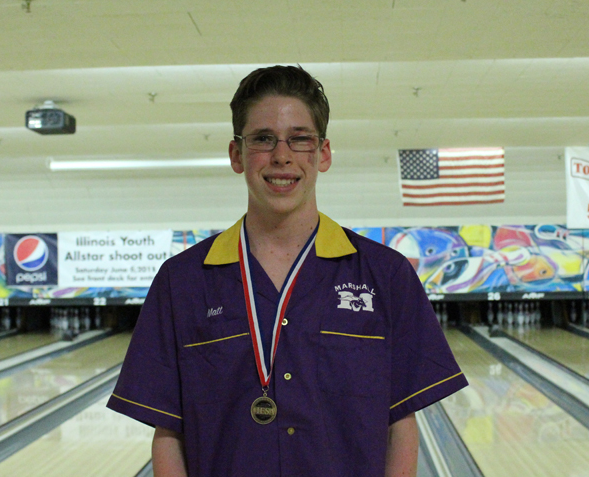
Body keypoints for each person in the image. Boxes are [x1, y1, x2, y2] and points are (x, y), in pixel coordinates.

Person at [107, 65, 468, 477]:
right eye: (263, 139)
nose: (282, 156)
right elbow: (168, 433)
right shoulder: (182, 282)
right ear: (236, 154)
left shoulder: (386, 275)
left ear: (323, 153)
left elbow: (401, 426)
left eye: (300, 139)